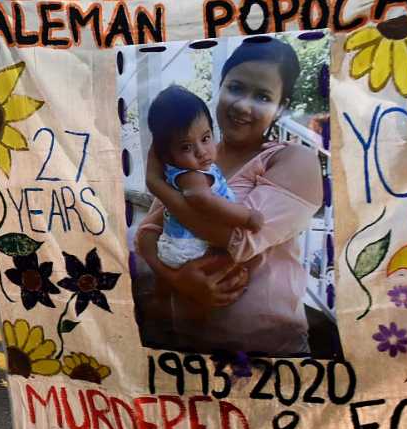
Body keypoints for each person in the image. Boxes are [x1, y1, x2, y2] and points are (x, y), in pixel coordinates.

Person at [132, 38, 324, 357]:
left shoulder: (295, 160)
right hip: (186, 349)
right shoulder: (193, 158)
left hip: (269, 355)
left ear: (281, 105)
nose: (243, 106)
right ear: (220, 87)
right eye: (235, 88)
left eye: (262, 97)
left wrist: (158, 184)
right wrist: (176, 278)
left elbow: (238, 240)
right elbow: (148, 233)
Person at [144, 84, 265, 268]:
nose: (201, 152)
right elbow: (203, 199)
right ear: (167, 154)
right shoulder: (191, 176)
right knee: (246, 261)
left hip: (185, 242)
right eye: (186, 147)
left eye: (205, 138)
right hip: (189, 248)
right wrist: (246, 217)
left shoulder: (195, 168)